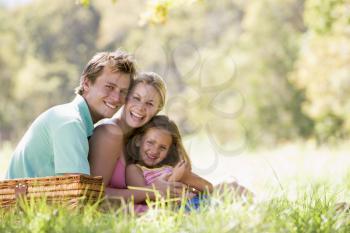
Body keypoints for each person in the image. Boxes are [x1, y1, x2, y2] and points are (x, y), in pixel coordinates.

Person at [5, 50, 136, 179]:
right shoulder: (70, 122)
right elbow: (78, 194)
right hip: (17, 200)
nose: (116, 98)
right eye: (109, 87)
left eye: (123, 91)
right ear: (86, 83)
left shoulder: (77, 121)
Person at [89, 72, 187, 203]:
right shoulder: (110, 132)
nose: (140, 108)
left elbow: (182, 168)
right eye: (136, 98)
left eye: (150, 104)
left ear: (157, 110)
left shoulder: (142, 141)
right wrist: (153, 192)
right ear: (125, 97)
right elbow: (92, 195)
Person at [125, 115, 213, 194]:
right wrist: (175, 177)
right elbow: (143, 197)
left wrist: (185, 177)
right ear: (138, 140)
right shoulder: (134, 169)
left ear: (169, 151)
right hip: (177, 208)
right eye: (150, 142)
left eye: (162, 147)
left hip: (195, 203)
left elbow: (209, 188)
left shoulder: (171, 168)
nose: (155, 151)